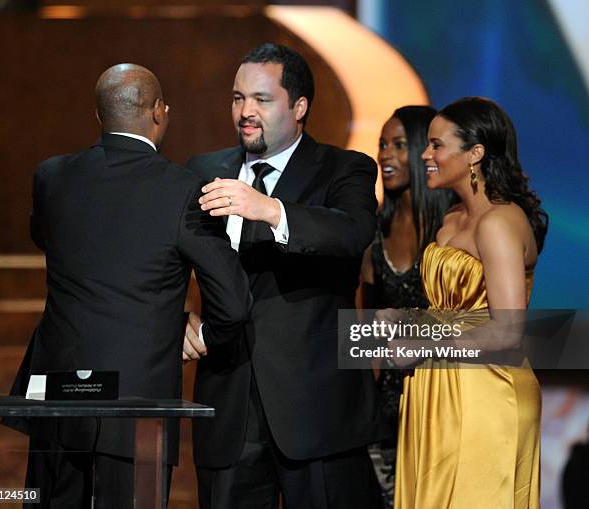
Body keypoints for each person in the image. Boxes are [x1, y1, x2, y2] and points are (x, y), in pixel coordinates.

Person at [4, 63, 251, 509]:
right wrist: (194, 330)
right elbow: (232, 302)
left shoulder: (51, 177)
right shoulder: (185, 190)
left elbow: (51, 241)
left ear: (100, 116)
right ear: (158, 112)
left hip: (57, 396)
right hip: (139, 405)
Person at [183, 43, 385, 509]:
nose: (245, 112)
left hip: (316, 411)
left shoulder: (344, 168)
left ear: (299, 107)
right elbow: (165, 255)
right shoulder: (203, 171)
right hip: (228, 405)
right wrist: (180, 316)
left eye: (261, 99)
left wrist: (271, 211)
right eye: (237, 98)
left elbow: (352, 232)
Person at [393, 97, 548, 508]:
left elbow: (507, 328)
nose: (425, 155)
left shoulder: (498, 222)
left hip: (485, 392)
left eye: (437, 145)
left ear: (475, 153)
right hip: (437, 389)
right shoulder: (451, 219)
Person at [360, 105, 455, 507]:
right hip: (386, 406)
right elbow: (363, 334)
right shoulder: (374, 232)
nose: (385, 155)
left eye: (399, 145)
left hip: (440, 397)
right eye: (382, 145)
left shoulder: (450, 231)